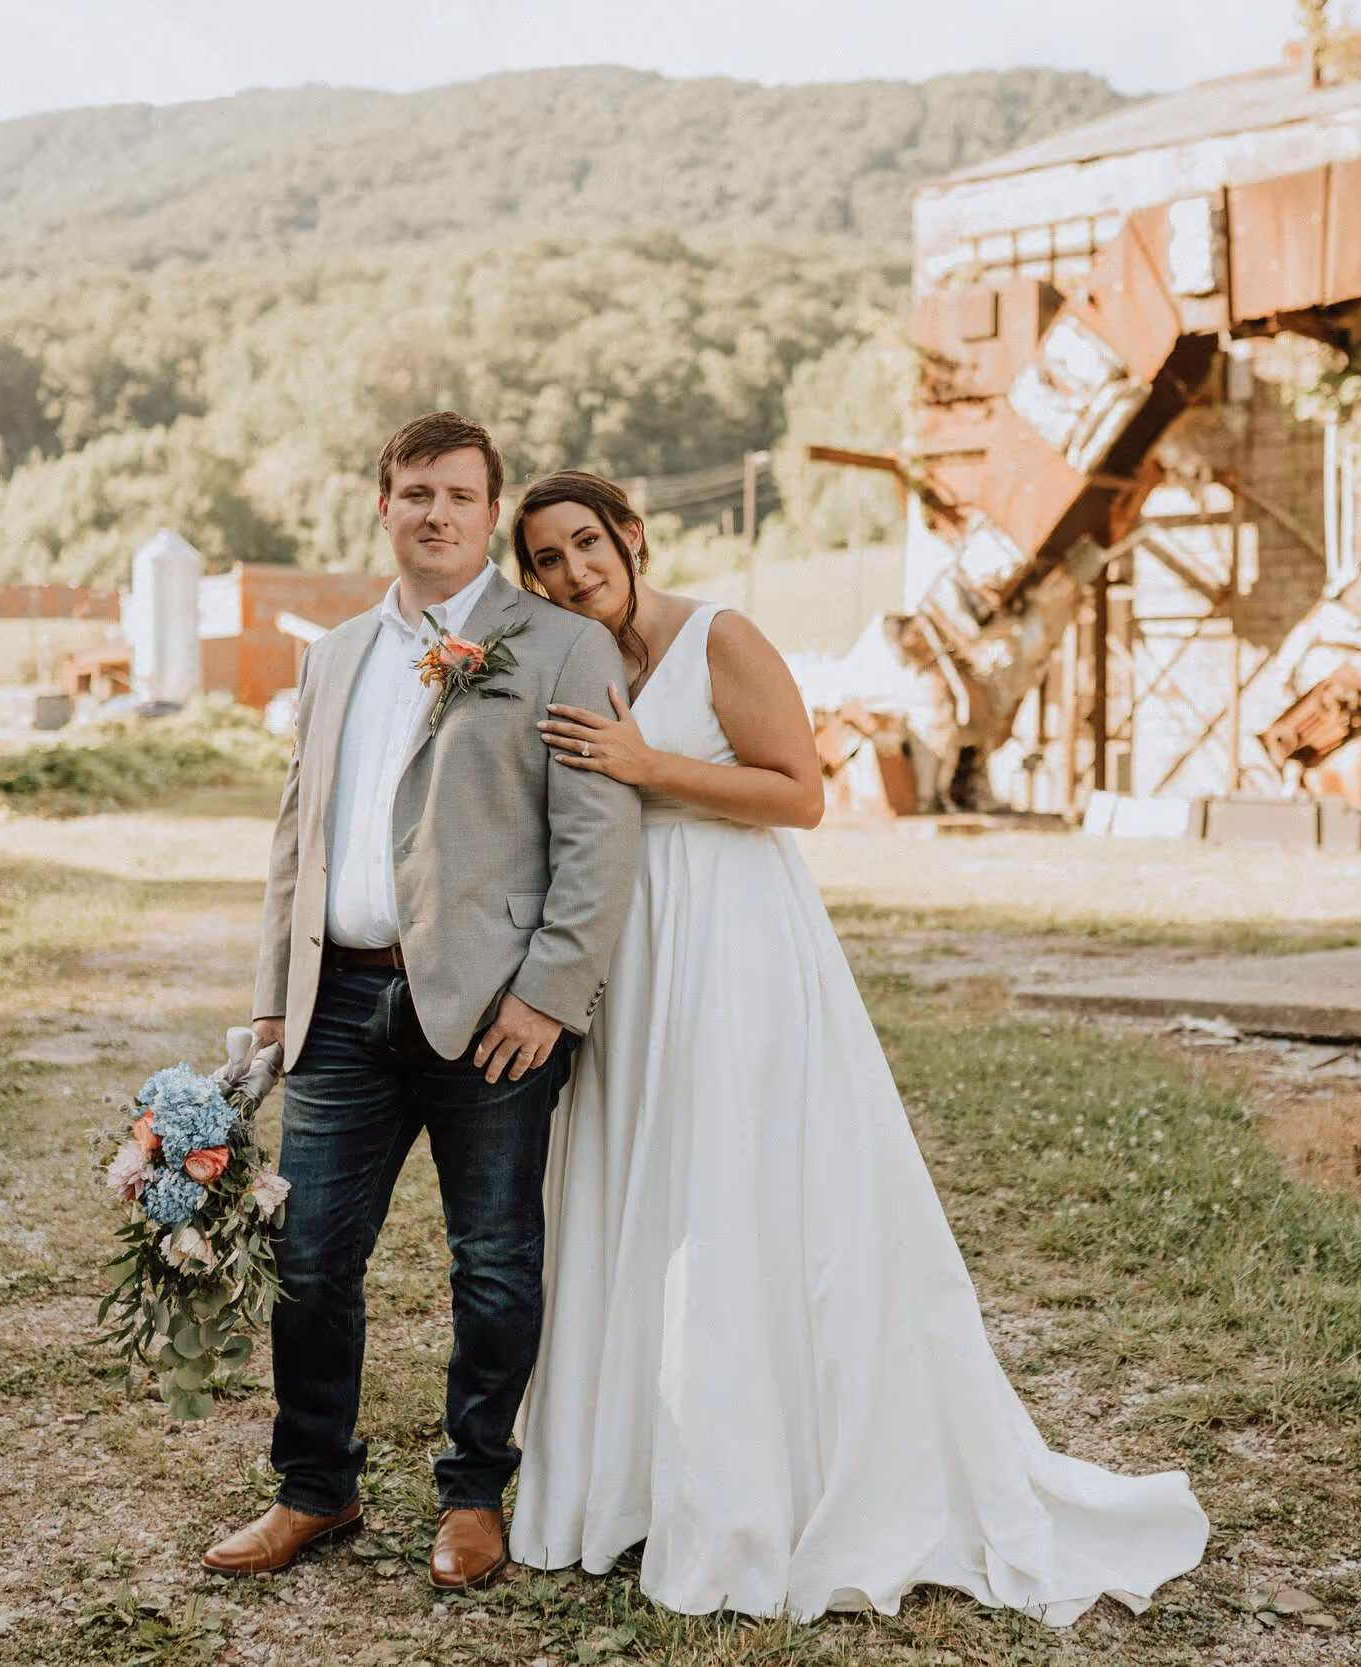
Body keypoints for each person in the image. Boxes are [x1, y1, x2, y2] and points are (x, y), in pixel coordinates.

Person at [506, 470, 1208, 1625]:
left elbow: (801, 793)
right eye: (546, 558)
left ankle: (754, 1482)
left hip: (734, 936)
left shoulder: (719, 636)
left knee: (737, 1182)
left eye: (588, 542)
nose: (573, 570)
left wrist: (650, 767)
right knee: (645, 1187)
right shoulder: (574, 658)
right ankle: (629, 1469)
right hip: (632, 954)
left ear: (630, 535)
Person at [202, 418, 641, 1591]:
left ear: (489, 510)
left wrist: (549, 993)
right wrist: (269, 1001)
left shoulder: (557, 646)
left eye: (457, 493)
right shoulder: (335, 651)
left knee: (494, 1259)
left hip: (493, 1013)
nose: (434, 512)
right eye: (413, 492)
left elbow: (598, 842)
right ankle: (315, 1487)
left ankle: (474, 1493)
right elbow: (299, 831)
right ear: (381, 506)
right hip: (336, 1004)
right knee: (310, 1255)